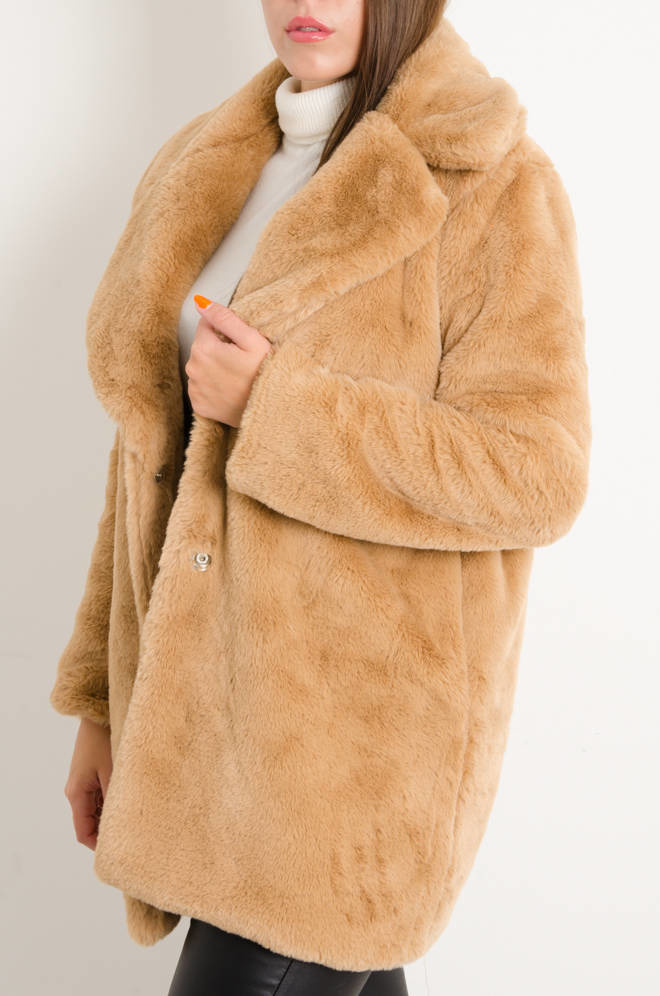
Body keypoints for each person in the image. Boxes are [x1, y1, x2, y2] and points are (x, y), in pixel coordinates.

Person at [51, 1, 592, 993]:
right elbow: (149, 461)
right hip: (204, 734)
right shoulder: (203, 164)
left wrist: (278, 409)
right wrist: (102, 701)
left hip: (347, 772)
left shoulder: (492, 181)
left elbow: (538, 473)